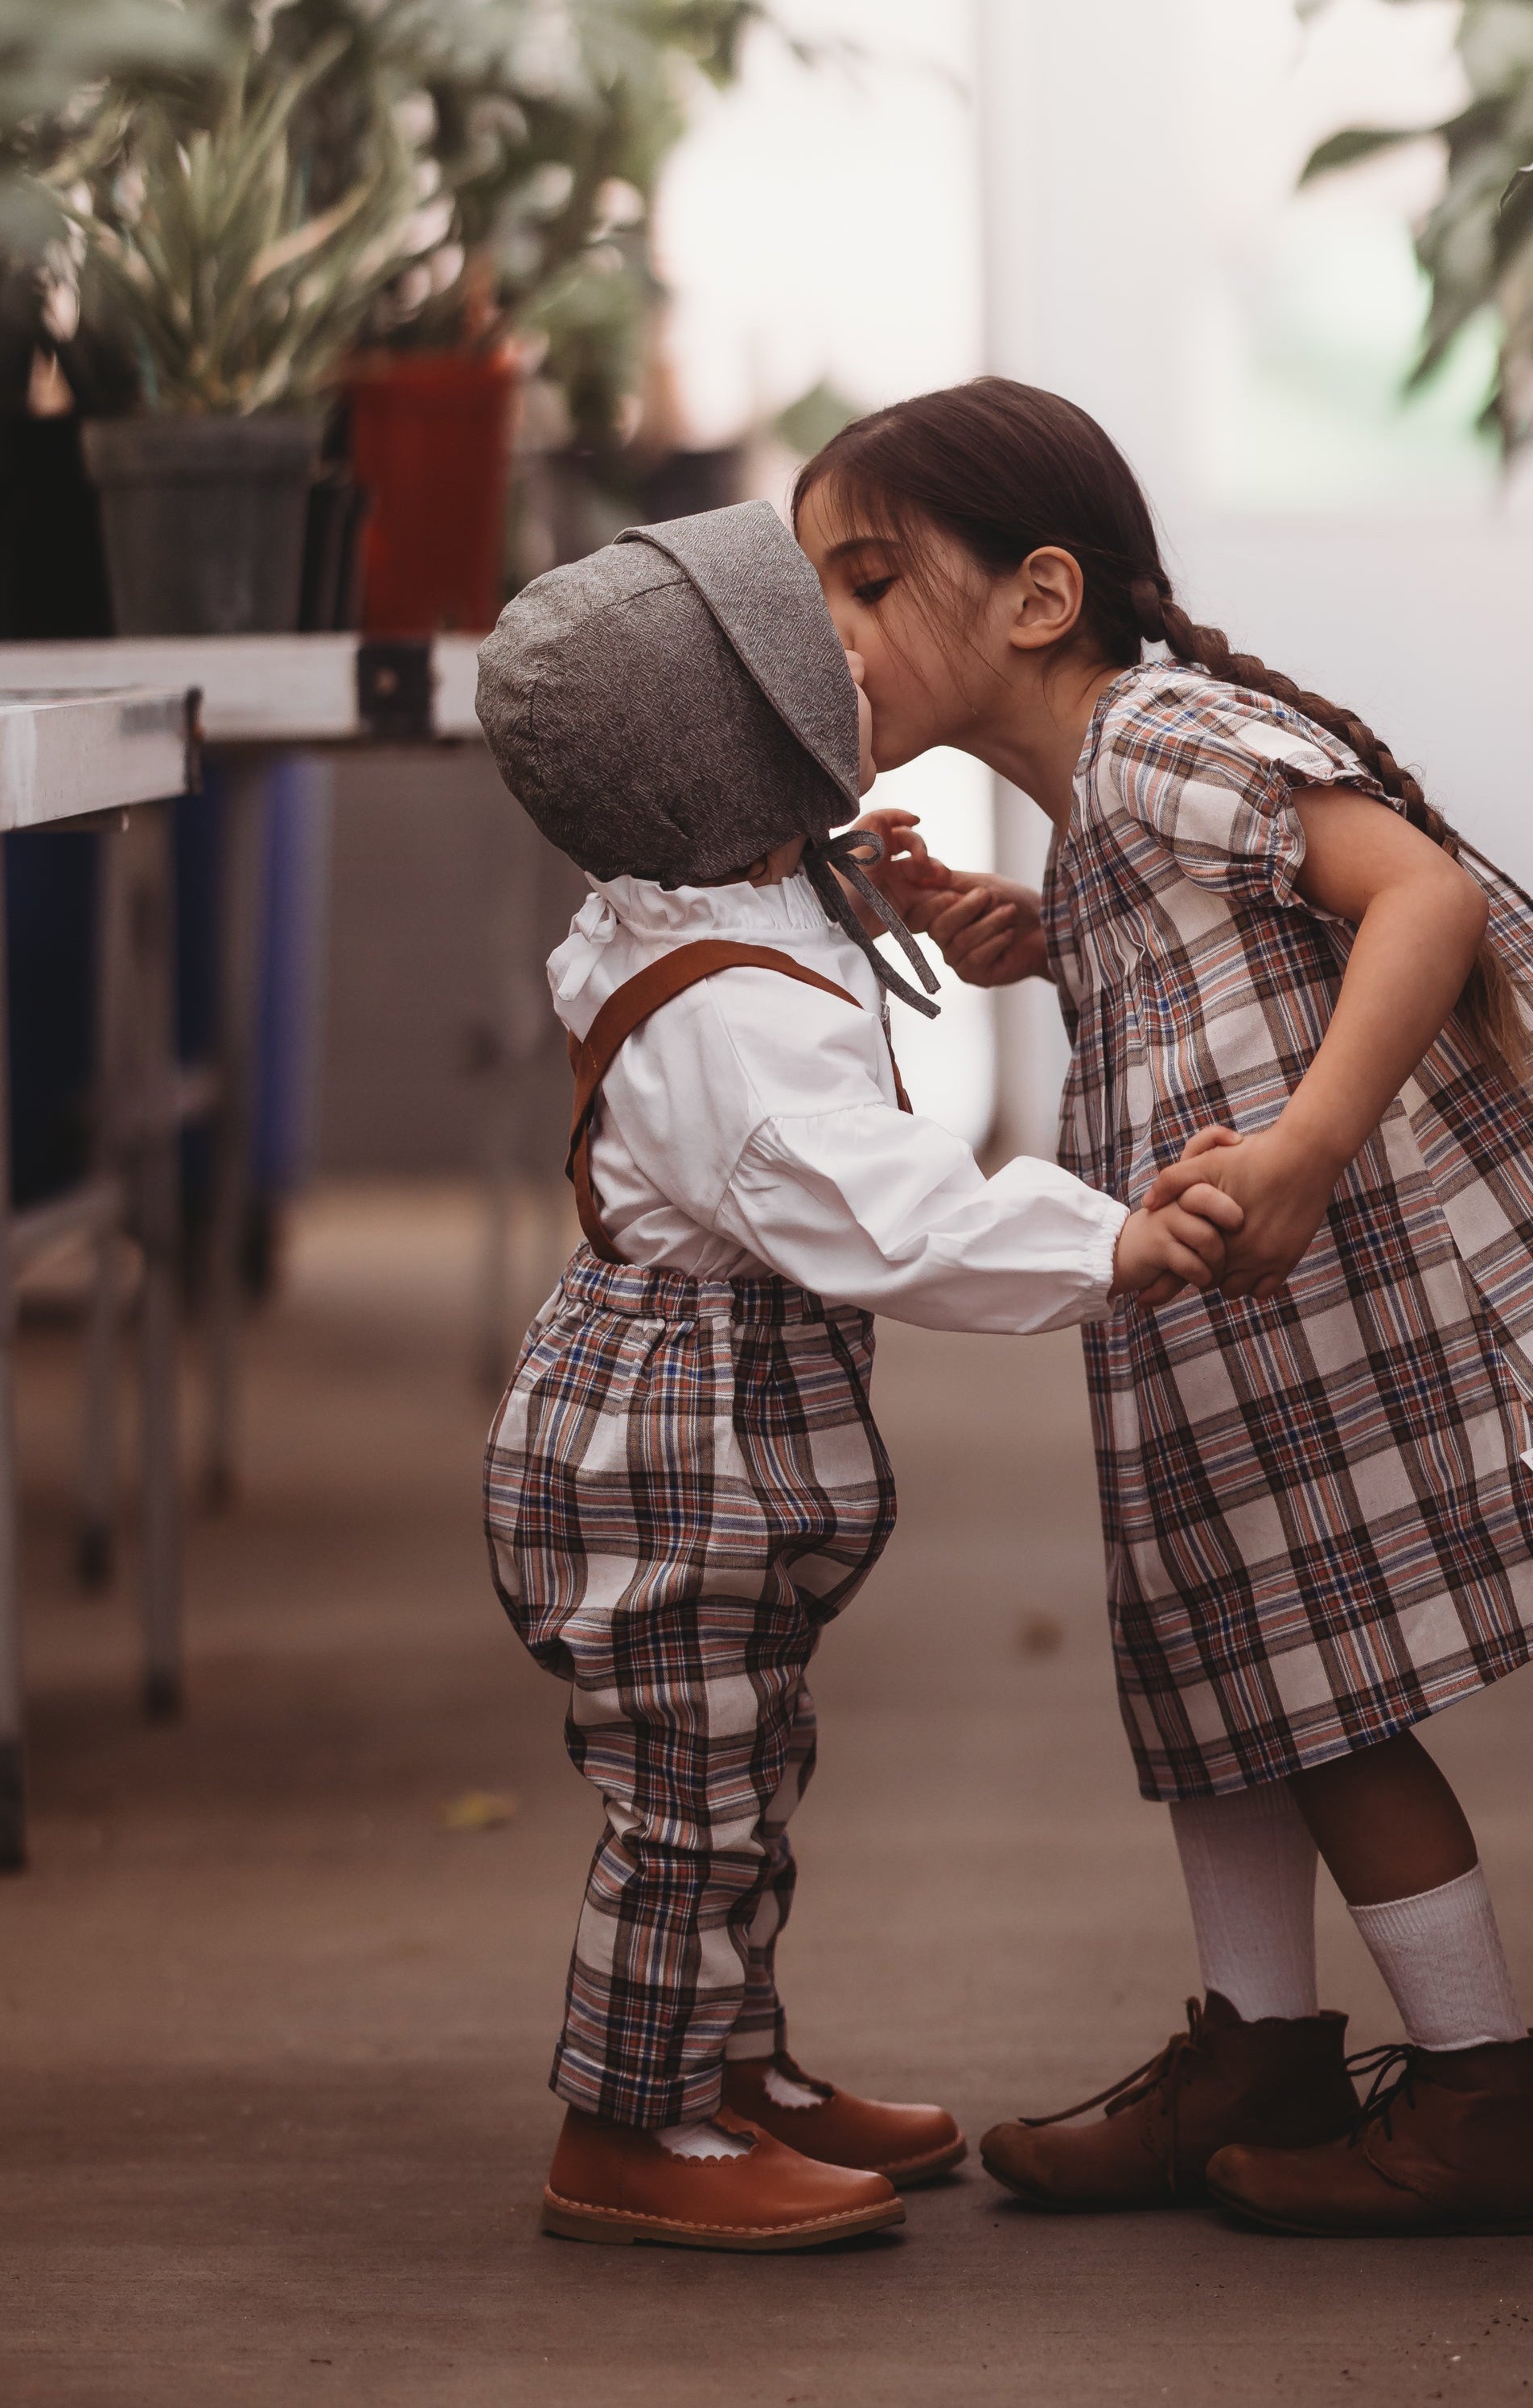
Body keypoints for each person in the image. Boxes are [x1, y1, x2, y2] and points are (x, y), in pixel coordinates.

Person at [794, 380, 1533, 2239]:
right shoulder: (1104, 797)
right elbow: (1218, 941)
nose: (833, 628)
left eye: (869, 581)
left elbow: (1422, 898)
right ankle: (1262, 2055)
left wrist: (1304, 1146)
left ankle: (1489, 2090)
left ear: (1041, 597)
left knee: (1327, 1692)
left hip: (1298, 1311)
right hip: (1227, 1336)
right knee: (1228, 1665)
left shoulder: (1157, 738)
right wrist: (1039, 935)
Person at [474, 500, 1242, 2254]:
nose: (849, 650)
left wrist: (877, 882)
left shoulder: (722, 886)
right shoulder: (727, 1031)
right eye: (809, 648)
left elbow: (795, 926)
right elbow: (899, 1217)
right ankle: (631, 2130)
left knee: (748, 1762)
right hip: (665, 1455)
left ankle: (732, 2071)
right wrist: (1108, 1242)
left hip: (702, 1431)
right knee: (690, 1802)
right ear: (732, 750)